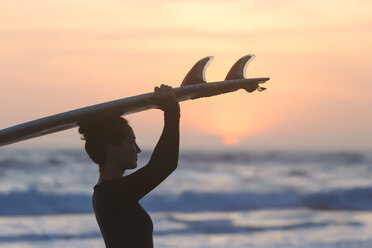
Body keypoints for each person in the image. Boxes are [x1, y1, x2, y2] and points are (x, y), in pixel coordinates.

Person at [79, 84, 180, 248]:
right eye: (132, 141)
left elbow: (161, 165)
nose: (138, 149)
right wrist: (172, 111)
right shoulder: (112, 195)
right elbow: (164, 164)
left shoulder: (107, 193)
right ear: (112, 148)